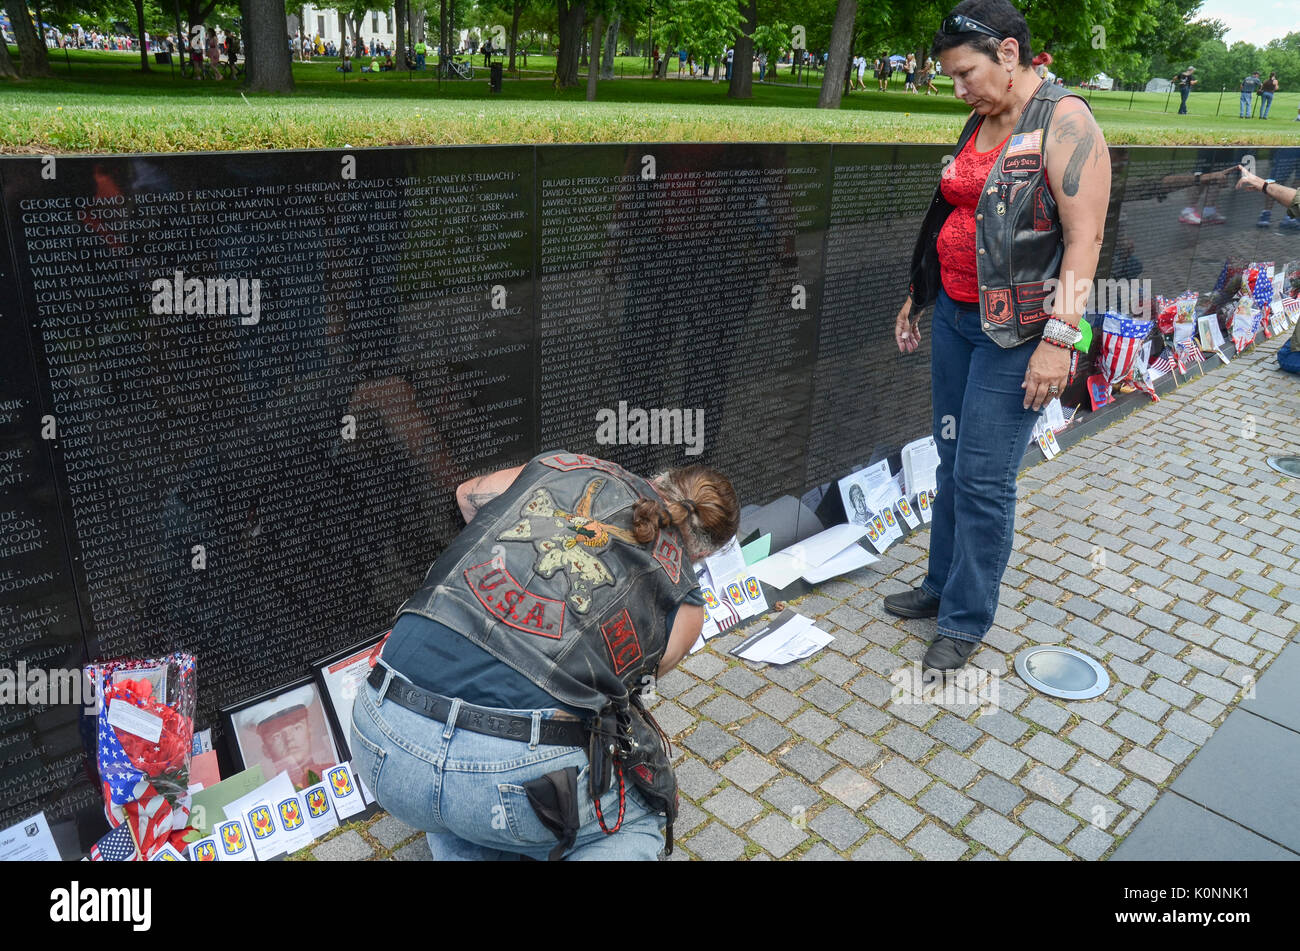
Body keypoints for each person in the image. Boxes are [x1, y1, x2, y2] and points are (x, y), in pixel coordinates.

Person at [349, 451, 740, 860]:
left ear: (660, 478)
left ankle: (464, 819)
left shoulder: (564, 465)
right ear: (703, 554)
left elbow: (469, 497)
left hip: (381, 739)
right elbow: (623, 689)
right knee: (645, 813)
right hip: (500, 778)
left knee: (469, 808)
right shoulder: (688, 603)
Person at [893, 0, 1110, 671]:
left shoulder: (1066, 120)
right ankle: (939, 586)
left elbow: (1085, 239)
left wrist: (1058, 340)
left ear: (1009, 55)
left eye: (966, 74)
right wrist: (918, 291)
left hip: (1017, 334)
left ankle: (965, 618)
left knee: (985, 477)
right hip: (958, 316)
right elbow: (954, 211)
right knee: (952, 460)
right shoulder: (984, 116)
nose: (959, 89)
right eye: (953, 77)